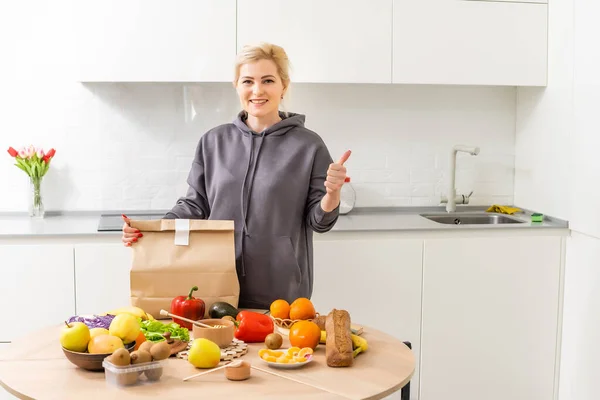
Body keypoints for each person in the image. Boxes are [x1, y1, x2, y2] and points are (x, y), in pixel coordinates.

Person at [122, 42, 350, 309]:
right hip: (216, 287)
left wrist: (332, 194)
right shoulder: (213, 141)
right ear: (236, 86)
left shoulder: (309, 146)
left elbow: (319, 222)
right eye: (248, 81)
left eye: (268, 80)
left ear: (283, 86)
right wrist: (152, 231)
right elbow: (195, 205)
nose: (257, 90)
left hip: (281, 291)